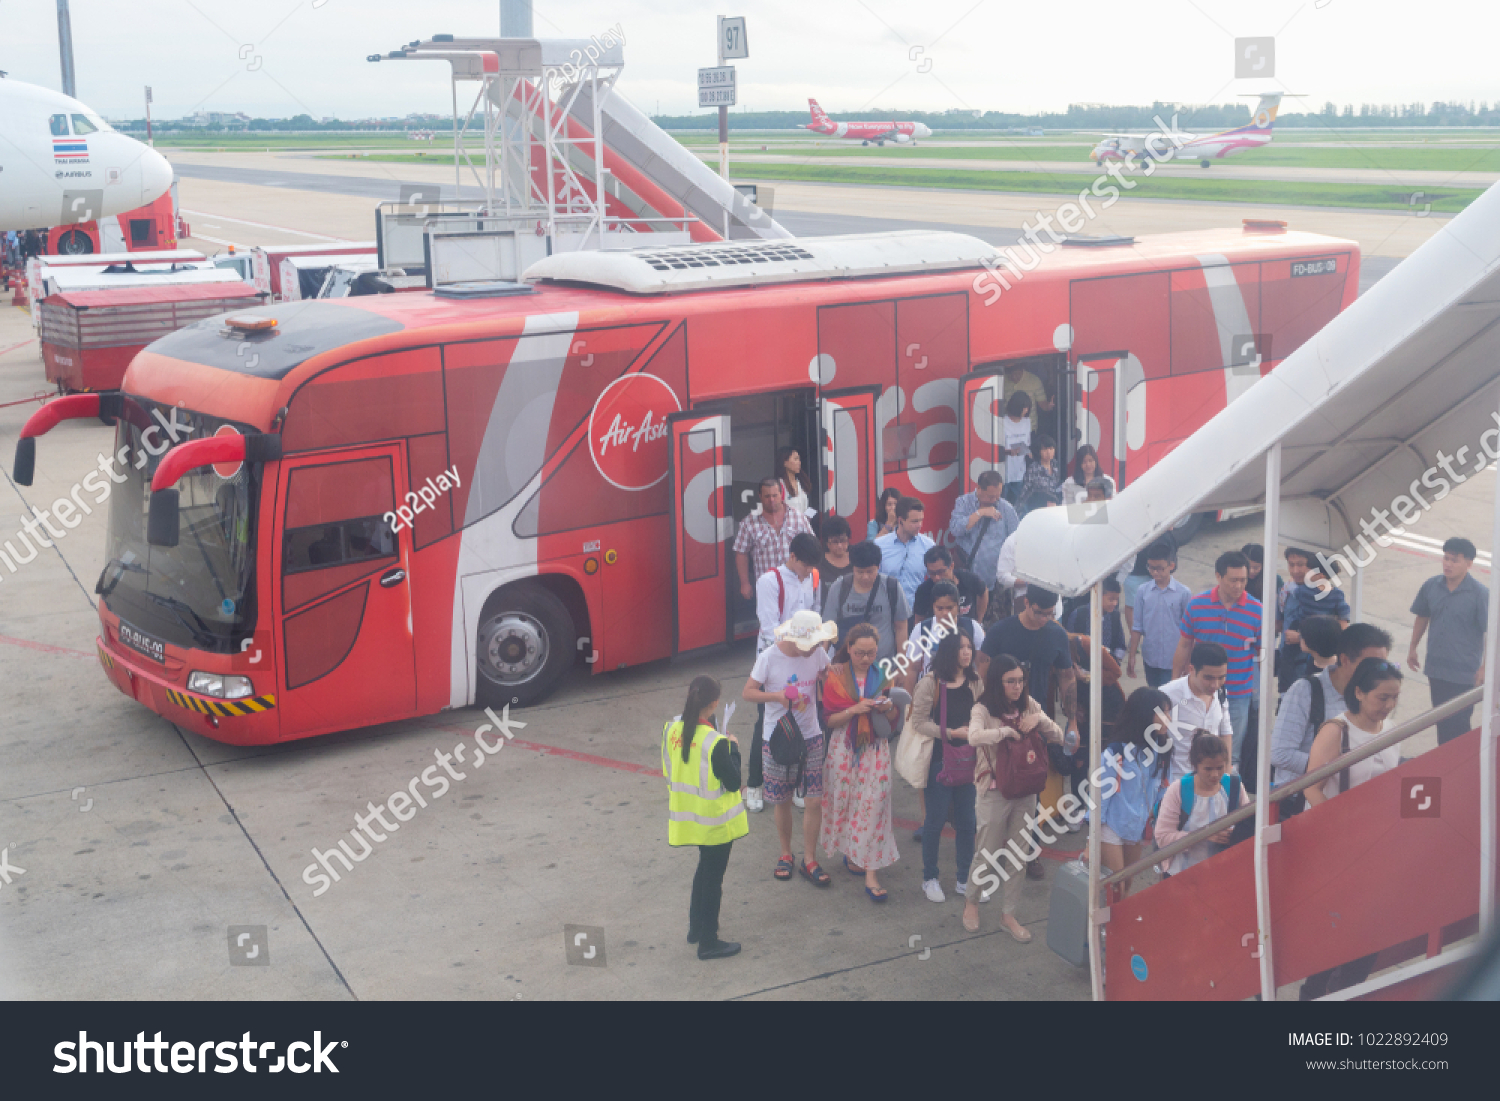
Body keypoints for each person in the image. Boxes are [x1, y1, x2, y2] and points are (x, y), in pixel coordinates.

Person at [1298, 657, 1405, 1000]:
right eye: (1381, 698)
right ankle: (1314, 994)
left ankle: (1347, 991)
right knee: (1333, 933)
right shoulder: (1337, 731)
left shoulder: (1392, 729)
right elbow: (1311, 787)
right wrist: (1340, 826)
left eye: (1394, 698)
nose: (1388, 706)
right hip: (1335, 847)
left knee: (1370, 933)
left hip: (1376, 846)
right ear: (1358, 692)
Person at [963, 655, 1062, 936]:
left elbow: (1058, 734)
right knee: (986, 852)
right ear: (998, 682)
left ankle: (1009, 914)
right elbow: (973, 737)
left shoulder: (1029, 705)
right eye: (1011, 682)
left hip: (1026, 789)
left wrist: (1039, 718)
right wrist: (1005, 731)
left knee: (1019, 854)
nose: (1017, 687)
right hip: (994, 790)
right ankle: (972, 901)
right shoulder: (982, 708)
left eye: (1020, 681)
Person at [742, 610, 837, 885]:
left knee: (814, 800)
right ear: (794, 639)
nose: (816, 650)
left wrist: (830, 676)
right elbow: (748, 692)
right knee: (781, 799)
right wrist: (776, 697)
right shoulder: (769, 657)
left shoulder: (817, 653)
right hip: (778, 737)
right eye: (811, 645)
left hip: (811, 734)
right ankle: (786, 853)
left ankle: (809, 858)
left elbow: (825, 673)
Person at [820, 623, 908, 902]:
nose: (866, 658)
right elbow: (830, 720)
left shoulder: (884, 677)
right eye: (860, 653)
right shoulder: (835, 677)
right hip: (843, 747)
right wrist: (854, 710)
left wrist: (888, 707)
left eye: (871, 653)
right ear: (848, 649)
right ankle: (853, 853)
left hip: (874, 749)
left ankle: (872, 873)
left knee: (875, 806)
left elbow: (894, 718)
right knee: (845, 802)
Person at [662, 675, 746, 960]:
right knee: (713, 879)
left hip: (689, 818)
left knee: (703, 871)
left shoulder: (671, 729)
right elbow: (734, 782)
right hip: (715, 822)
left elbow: (669, 767)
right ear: (714, 704)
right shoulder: (716, 742)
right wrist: (733, 746)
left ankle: (695, 928)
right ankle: (708, 941)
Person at [744, 531, 823, 813]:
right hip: (776, 659)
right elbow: (769, 628)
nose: (809, 572)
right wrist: (791, 650)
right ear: (792, 557)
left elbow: (815, 613)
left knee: (802, 721)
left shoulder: (812, 577)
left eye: (813, 567)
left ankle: (798, 781)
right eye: (805, 566)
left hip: (804, 656)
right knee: (766, 722)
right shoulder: (770, 581)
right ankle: (754, 784)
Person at [1271, 620, 1391, 792]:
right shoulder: (1305, 691)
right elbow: (1280, 754)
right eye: (1369, 665)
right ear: (1345, 660)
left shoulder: (1373, 697)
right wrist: (1338, 770)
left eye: (1382, 665)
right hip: (1302, 801)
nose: (1377, 673)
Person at [1172, 550, 1262, 767]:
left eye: (1243, 580)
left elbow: (1262, 654)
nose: (1239, 586)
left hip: (1238, 694)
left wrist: (1257, 691)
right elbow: (1184, 644)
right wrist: (1176, 682)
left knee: (1232, 752)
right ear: (1218, 577)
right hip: (1200, 691)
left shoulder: (1257, 611)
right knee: (1195, 748)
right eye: (1233, 580)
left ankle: (1228, 795)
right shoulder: (1197, 605)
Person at [912, 632, 981, 903]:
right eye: (961, 647)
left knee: (967, 822)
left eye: (969, 647)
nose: (966, 652)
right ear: (949, 651)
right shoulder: (931, 683)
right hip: (940, 760)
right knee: (935, 821)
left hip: (970, 761)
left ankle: (965, 878)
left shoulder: (975, 682)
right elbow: (918, 722)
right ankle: (930, 877)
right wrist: (951, 732)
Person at [1409, 536, 1489, 744]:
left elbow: (1491, 632)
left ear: (1469, 564)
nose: (1448, 564)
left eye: (1455, 560)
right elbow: (1422, 616)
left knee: (1459, 723)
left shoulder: (1480, 594)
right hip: (1436, 669)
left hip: (1464, 673)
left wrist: (1484, 667)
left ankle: (1460, 766)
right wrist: (1412, 648)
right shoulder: (1431, 586)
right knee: (1441, 721)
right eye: (1446, 558)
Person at [1095, 687, 1173, 896]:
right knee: (1116, 885)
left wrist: (1156, 815)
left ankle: (1115, 924)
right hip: (1110, 825)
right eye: (1163, 713)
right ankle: (1107, 927)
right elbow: (1100, 796)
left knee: (1127, 882)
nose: (1169, 719)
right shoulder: (1116, 752)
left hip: (1136, 825)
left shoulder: (1163, 749)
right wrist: (1091, 839)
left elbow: (1164, 788)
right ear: (1145, 715)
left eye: (1169, 712)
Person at [981, 585, 1078, 747]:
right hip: (1000, 717)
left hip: (1037, 716)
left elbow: (1067, 678)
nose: (1044, 619)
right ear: (1026, 603)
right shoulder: (1000, 631)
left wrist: (1072, 723)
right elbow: (981, 676)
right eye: (1039, 612)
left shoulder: (1057, 635)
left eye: (1050, 613)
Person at [1153, 730, 1251, 877]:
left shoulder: (1235, 786)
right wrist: (1203, 835)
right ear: (1195, 765)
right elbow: (1162, 838)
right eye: (1208, 769)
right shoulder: (1178, 790)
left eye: (1220, 768)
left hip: (1225, 874)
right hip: (1182, 875)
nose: (1215, 775)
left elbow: (1248, 826)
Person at [822, 540, 908, 665]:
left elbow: (901, 627)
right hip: (848, 667)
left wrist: (901, 665)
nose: (865, 577)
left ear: (879, 567)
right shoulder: (839, 588)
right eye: (860, 572)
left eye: (870, 571)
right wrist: (823, 662)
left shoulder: (891, 587)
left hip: (884, 667)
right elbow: (828, 629)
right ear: (852, 568)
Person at [1160, 642, 1234, 784]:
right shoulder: (1167, 695)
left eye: (1221, 678)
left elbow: (1225, 732)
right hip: (1175, 783)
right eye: (1208, 678)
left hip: (1211, 783)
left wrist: (1226, 774)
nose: (1215, 684)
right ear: (1192, 669)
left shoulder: (1221, 693)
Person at [734, 477, 814, 602]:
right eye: (767, 496)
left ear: (781, 494)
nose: (771, 499)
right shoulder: (748, 522)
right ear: (759, 496)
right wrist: (744, 583)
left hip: (795, 584)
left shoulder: (798, 517)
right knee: (768, 621)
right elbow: (741, 554)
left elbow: (811, 547)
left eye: (775, 495)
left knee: (796, 621)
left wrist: (810, 576)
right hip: (767, 587)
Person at [1126, 542, 1191, 688]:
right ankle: (1158, 712)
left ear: (1171, 566)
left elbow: (1189, 631)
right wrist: (1131, 655)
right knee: (1154, 696)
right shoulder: (1143, 591)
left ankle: (1165, 712)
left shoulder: (1183, 593)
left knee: (1168, 697)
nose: (1155, 573)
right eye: (1151, 568)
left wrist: (1188, 661)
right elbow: (1137, 626)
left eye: (1160, 569)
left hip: (1174, 659)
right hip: (1151, 658)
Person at [1280, 556, 1350, 689]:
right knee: (1287, 655)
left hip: (1316, 631)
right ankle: (1285, 685)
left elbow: (1344, 618)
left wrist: (1301, 637)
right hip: (1302, 627)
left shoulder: (1335, 595)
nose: (1303, 573)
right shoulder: (1302, 590)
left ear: (1320, 575)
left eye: (1308, 570)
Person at [948, 470, 1019, 590]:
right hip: (967, 573)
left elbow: (1016, 540)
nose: (995, 500)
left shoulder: (1006, 508)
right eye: (991, 496)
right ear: (979, 489)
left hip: (994, 578)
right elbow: (955, 529)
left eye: (998, 495)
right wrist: (980, 513)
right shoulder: (963, 503)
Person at [907, 582, 986, 687]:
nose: (945, 613)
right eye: (940, 608)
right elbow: (912, 668)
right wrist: (909, 700)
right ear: (933, 606)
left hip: (965, 690)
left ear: (958, 606)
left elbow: (982, 663)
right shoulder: (921, 629)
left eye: (949, 608)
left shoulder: (973, 627)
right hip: (931, 691)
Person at [875, 496, 935, 607]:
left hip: (917, 610)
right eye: (914, 521)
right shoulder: (880, 545)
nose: (920, 525)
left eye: (921, 520)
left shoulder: (928, 545)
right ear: (900, 520)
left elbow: (936, 579)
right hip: (887, 611)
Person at [1119, 530, 1178, 634]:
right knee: (1134, 606)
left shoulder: (1165, 534)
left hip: (1138, 572)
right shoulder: (1165, 534)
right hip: (1136, 572)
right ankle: (1136, 640)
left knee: (1157, 606)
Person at [913, 544, 988, 622]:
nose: (937, 577)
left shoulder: (967, 578)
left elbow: (983, 591)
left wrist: (979, 620)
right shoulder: (923, 591)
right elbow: (919, 621)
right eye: (932, 573)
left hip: (967, 629)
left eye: (940, 572)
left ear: (951, 566)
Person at [1065, 576, 1126, 664]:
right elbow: (1069, 642)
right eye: (1111, 599)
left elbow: (1120, 645)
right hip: (1083, 666)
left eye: (1116, 599)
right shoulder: (1079, 614)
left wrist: (1115, 659)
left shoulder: (1115, 616)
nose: (1115, 603)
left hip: (1107, 666)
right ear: (1097, 595)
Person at [1000, 392, 1033, 504]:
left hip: (1019, 470)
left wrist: (1028, 452)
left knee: (1019, 503)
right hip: (1004, 470)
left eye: (1027, 408)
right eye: (1024, 408)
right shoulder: (1002, 421)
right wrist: (1008, 452)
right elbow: (994, 448)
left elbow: (1027, 442)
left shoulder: (1027, 421)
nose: (1026, 411)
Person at [1018, 434, 1064, 511]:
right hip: (1038, 509)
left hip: (1055, 508)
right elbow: (1025, 492)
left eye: (1051, 448)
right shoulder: (1033, 469)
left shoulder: (1056, 466)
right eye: (1045, 449)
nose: (1048, 452)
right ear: (1039, 451)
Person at [1002, 361, 1051, 431]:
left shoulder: (1034, 380)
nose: (1014, 377)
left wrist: (1049, 406)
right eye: (1011, 375)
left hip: (1030, 429)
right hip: (1008, 429)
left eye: (1017, 374)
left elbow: (1043, 404)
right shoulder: (1001, 381)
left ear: (1022, 370)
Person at [775, 445, 813, 518]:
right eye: (795, 459)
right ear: (784, 462)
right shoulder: (779, 485)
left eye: (799, 459)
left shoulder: (801, 483)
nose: (799, 462)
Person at [818, 515, 854, 592]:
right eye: (835, 542)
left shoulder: (856, 558)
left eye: (843, 540)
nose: (839, 545)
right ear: (827, 543)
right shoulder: (819, 562)